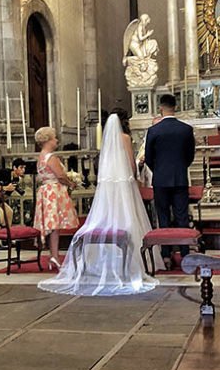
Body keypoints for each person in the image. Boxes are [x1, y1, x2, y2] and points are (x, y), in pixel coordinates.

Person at [38, 113, 156, 296]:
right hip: (123, 182)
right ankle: (135, 259)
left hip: (108, 183)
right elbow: (130, 163)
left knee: (109, 214)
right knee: (127, 215)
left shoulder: (106, 139)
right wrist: (134, 177)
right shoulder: (125, 138)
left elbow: (104, 162)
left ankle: (104, 256)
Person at [144, 93, 196, 268]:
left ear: (161, 107)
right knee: (182, 217)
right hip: (180, 177)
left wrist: (157, 170)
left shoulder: (154, 130)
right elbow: (190, 155)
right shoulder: (186, 129)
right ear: (176, 107)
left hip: (160, 179)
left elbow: (149, 157)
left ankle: (166, 256)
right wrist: (181, 168)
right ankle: (185, 255)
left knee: (163, 218)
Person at [32, 126, 79, 271]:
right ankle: (54, 256)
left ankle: (54, 256)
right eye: (54, 138)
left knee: (54, 226)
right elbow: (59, 175)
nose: (57, 140)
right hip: (53, 192)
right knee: (54, 226)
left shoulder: (41, 156)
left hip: (46, 191)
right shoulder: (50, 157)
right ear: (48, 140)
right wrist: (71, 183)